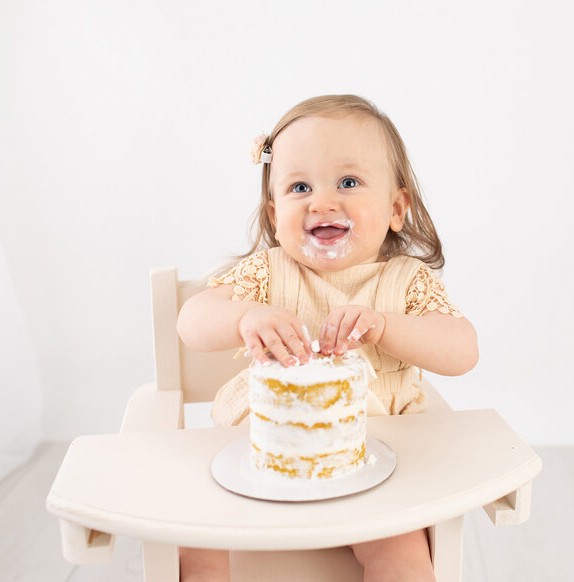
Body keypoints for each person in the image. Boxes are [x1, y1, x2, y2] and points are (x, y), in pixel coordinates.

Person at [176, 94, 479, 582]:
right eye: (299, 186)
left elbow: (463, 349)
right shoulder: (267, 273)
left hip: (378, 467)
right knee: (196, 540)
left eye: (348, 182)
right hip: (262, 463)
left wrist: (386, 327)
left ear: (397, 208)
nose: (322, 201)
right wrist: (244, 316)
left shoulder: (407, 282)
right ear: (276, 216)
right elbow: (191, 320)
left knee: (402, 549)